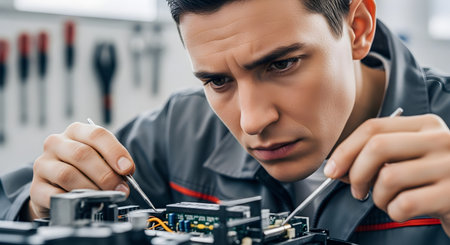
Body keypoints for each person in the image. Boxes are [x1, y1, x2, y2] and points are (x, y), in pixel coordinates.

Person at [1, 0, 449, 243]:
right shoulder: (180, 131)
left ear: (358, 29)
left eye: (281, 65)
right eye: (218, 81)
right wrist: (39, 207)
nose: (253, 121)